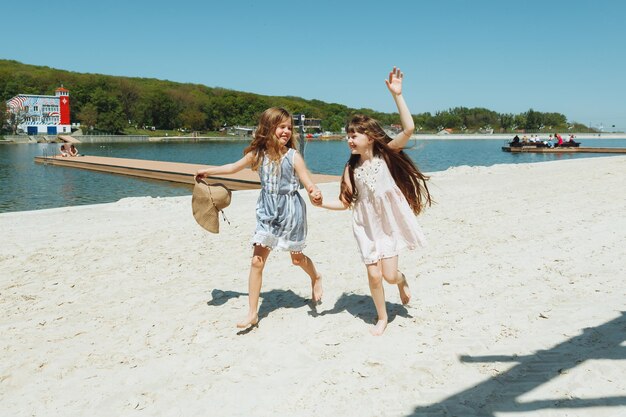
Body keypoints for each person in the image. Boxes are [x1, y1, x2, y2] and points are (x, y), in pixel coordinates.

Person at [314, 67, 432, 336]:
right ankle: (382, 317)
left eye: (353, 135)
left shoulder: (387, 155)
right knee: (375, 275)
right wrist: (320, 204)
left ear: (369, 137)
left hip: (387, 225)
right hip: (365, 227)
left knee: (390, 275)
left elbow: (410, 128)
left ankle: (402, 282)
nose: (349, 139)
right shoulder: (349, 169)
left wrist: (397, 96)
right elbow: (344, 203)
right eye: (348, 135)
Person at [195, 107, 323, 329]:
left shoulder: (293, 156)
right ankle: (252, 313)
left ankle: (316, 277)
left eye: (289, 128)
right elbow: (233, 167)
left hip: (291, 213)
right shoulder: (258, 154)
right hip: (267, 212)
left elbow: (307, 180)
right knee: (257, 261)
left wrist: (314, 191)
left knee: (296, 258)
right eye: (281, 127)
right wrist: (209, 171)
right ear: (268, 128)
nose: (286, 131)